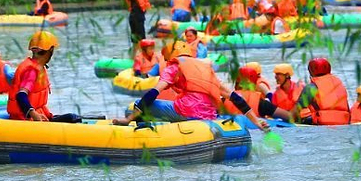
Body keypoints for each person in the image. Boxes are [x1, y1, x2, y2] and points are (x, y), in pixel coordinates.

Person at [111, 42, 270, 132]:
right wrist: (256, 122)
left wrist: (129, 118)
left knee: (138, 106)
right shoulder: (205, 68)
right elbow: (235, 97)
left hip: (187, 112)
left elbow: (153, 93)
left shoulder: (174, 67)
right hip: (208, 115)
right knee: (174, 106)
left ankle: (142, 132)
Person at [6, 31, 81, 123]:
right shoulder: (31, 71)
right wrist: (34, 114)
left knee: (73, 117)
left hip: (38, 115)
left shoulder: (38, 68)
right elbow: (21, 95)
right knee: (72, 117)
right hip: (27, 119)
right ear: (50, 51)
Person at [291, 57, 350, 125]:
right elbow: (347, 108)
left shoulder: (311, 87)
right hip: (344, 123)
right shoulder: (339, 84)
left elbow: (296, 111)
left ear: (311, 71)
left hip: (322, 123)